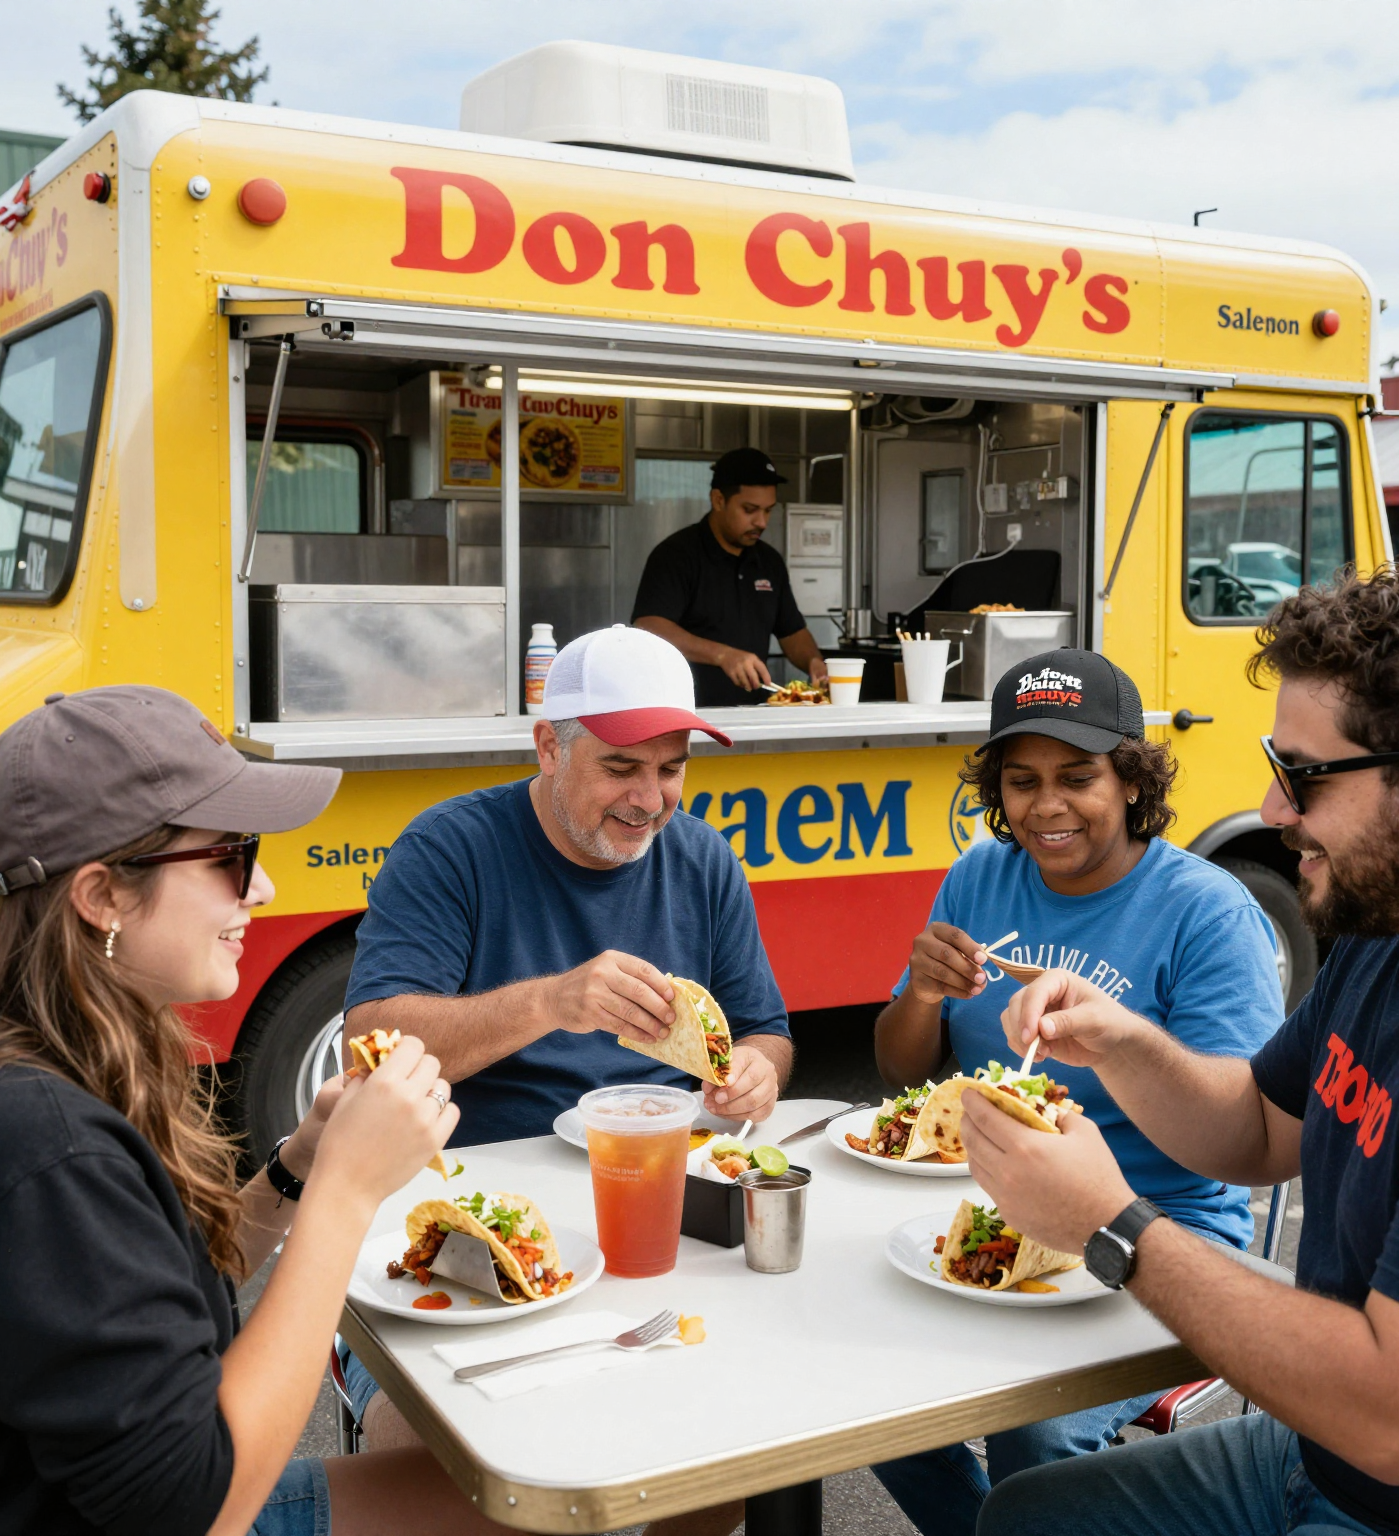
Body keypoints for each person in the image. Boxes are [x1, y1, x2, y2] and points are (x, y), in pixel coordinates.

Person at [971, 567, 1399, 1536]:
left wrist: (1108, 1223)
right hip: (1312, 1450)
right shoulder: (1387, 936)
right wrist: (1123, 1043)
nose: (1274, 806)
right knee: (1022, 1518)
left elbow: (1396, 1419)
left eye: (1302, 774)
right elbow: (1259, 1126)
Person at [0, 685, 501, 1536]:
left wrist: (299, 1167)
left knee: (524, 1504)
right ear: (101, 896)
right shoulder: (39, 1143)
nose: (265, 886)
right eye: (231, 856)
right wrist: (347, 1195)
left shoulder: (63, 1052)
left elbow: (161, 1295)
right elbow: (198, 1505)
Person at [869, 648, 1284, 1536]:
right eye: (1021, 781)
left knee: (1036, 1438)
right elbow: (904, 1073)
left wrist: (1119, 1055)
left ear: (1133, 782)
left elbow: (1243, 1126)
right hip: (983, 1217)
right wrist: (922, 993)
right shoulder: (981, 876)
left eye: (1077, 777)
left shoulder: (1207, 912)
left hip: (1156, 1232)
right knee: (857, 1399)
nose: (1046, 806)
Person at [344, 623, 793, 1139]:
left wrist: (758, 1072)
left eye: (670, 769)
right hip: (495, 1176)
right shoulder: (447, 848)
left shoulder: (705, 857)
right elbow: (368, 1049)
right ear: (550, 748)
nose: (649, 801)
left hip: (669, 1158)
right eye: (621, 768)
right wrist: (550, 1002)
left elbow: (764, 1031)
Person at [631, 446, 828, 706]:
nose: (762, 522)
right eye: (750, 509)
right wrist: (722, 655)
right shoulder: (676, 554)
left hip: (751, 714)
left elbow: (792, 632)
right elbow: (649, 627)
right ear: (719, 500)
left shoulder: (769, 562)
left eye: (768, 510)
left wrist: (813, 661)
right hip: (686, 714)